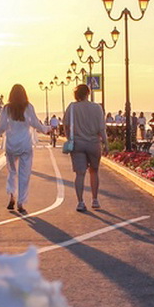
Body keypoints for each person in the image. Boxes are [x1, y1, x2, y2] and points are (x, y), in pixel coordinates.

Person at [0, 84, 50, 214]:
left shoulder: (6, 108)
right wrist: (46, 129)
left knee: (12, 172)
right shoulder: (28, 106)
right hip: (25, 144)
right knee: (24, 174)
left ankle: (11, 196)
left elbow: (2, 127)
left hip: (11, 145)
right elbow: (35, 123)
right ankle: (21, 202)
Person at [63, 84, 109, 212]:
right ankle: (95, 200)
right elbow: (101, 129)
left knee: (80, 174)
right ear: (88, 93)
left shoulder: (71, 108)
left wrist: (69, 139)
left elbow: (66, 125)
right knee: (94, 171)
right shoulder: (97, 108)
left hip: (77, 144)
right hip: (94, 143)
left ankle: (80, 202)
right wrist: (106, 144)